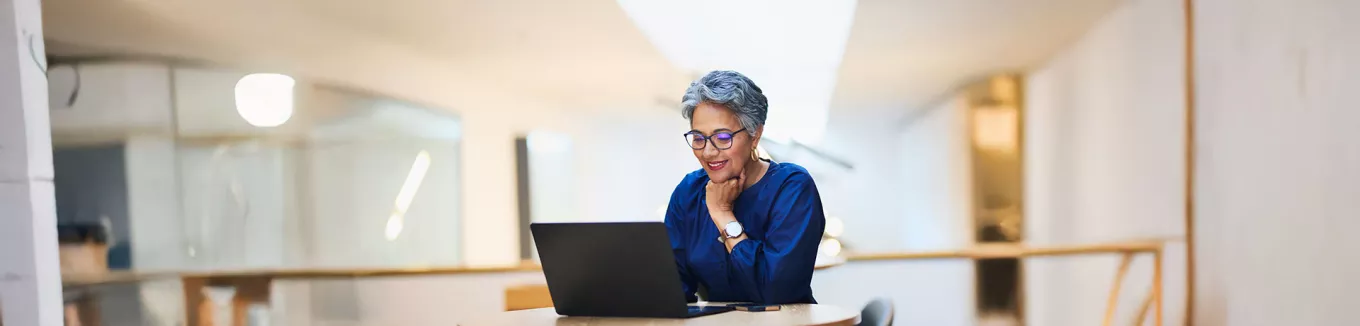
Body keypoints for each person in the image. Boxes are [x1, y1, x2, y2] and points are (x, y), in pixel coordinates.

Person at [664, 70, 826, 304]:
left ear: (755, 135)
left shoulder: (791, 187)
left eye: (722, 137)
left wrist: (722, 214)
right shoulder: (689, 191)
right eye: (698, 138)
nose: (708, 152)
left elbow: (777, 293)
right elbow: (672, 287)